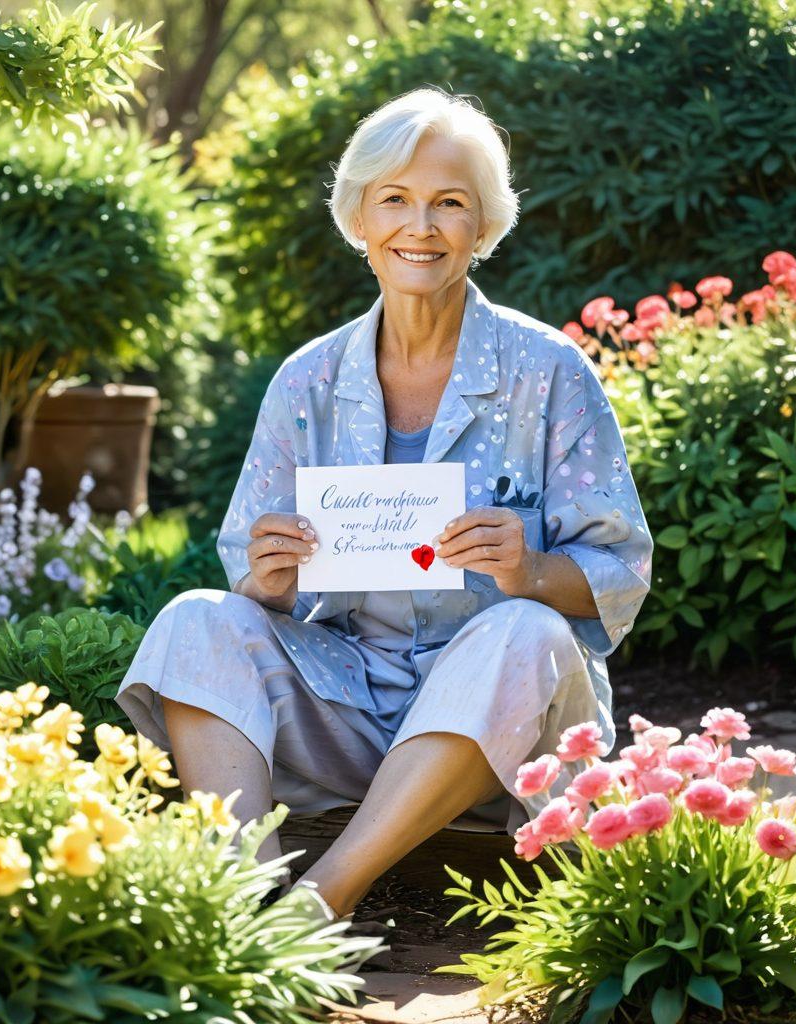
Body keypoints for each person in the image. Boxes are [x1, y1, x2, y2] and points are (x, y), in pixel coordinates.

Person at [115, 86, 654, 924]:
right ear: (359, 220)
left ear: (484, 228)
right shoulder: (307, 381)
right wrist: (269, 578)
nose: (421, 226)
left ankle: (317, 906)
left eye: (450, 204)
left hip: (500, 716)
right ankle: (241, 908)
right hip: (349, 703)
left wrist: (533, 568)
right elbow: (246, 576)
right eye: (395, 200)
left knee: (527, 629)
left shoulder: (549, 372)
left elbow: (619, 572)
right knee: (194, 619)